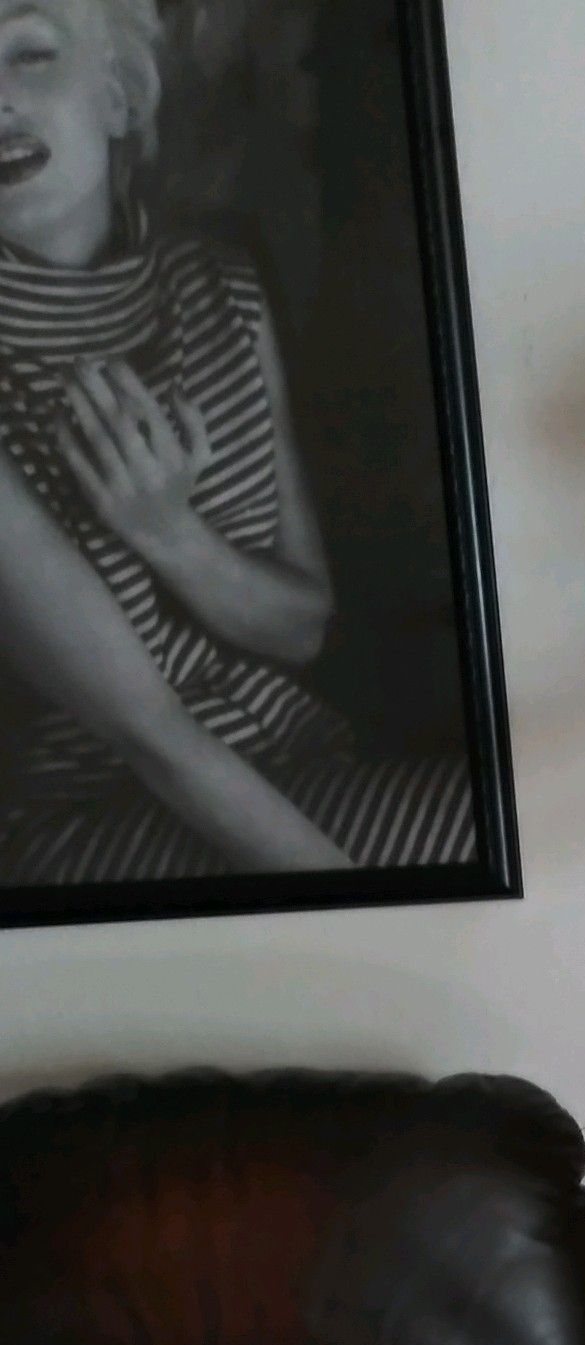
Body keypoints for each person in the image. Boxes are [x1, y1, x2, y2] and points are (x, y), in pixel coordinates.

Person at [0, 0, 475, 882]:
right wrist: (369, 913)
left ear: (115, 96)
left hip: (297, 762)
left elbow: (301, 626)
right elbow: (153, 742)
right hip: (96, 821)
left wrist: (169, 533)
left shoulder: (221, 287)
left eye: (27, 54)